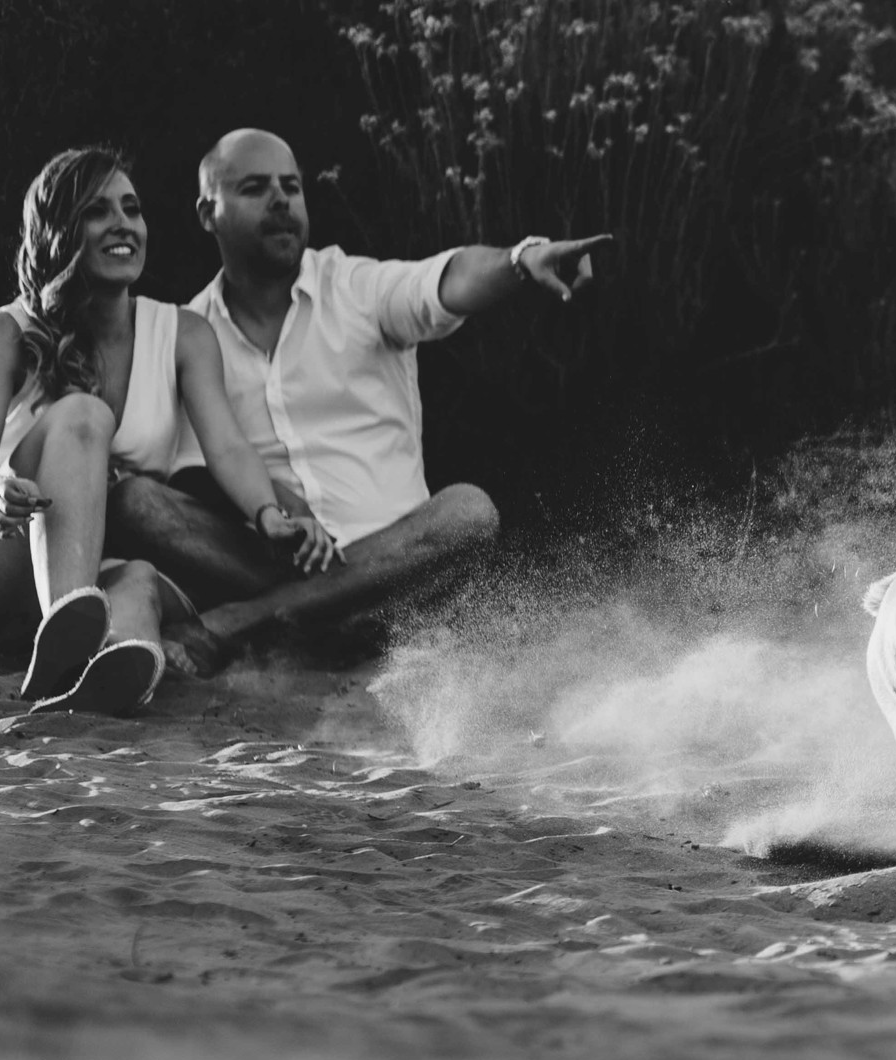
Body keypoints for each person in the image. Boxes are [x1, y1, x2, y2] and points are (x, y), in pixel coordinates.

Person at [107, 128, 612, 675]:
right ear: (208, 213)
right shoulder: (188, 332)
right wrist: (281, 512)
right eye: (255, 188)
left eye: (292, 187)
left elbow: (445, 281)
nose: (281, 200)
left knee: (468, 511)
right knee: (137, 501)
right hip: (278, 562)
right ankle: (327, 615)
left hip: (396, 562)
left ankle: (243, 622)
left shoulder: (357, 287)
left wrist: (519, 260)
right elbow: (195, 470)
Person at [0, 145, 337, 714]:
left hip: (87, 572)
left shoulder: (182, 334)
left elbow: (228, 447)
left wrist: (268, 514)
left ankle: (108, 673)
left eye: (132, 208)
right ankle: (70, 635)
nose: (123, 223)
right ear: (60, 229)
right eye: (98, 211)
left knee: (139, 579)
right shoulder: (5, 332)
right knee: (84, 415)